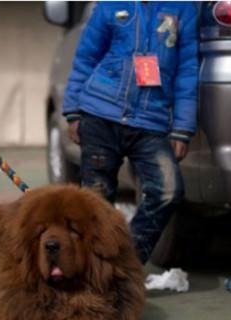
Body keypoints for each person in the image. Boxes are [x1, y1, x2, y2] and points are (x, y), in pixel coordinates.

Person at [62, 1, 199, 264]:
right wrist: (73, 111)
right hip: (100, 114)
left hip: (151, 122)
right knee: (95, 202)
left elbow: (187, 72)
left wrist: (182, 129)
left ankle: (125, 264)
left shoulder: (184, 9)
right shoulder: (110, 5)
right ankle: (91, 273)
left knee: (168, 191)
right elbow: (86, 57)